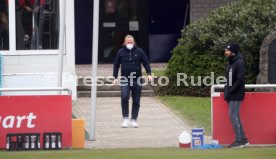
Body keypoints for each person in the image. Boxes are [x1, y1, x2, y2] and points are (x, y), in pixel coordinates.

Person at [113, 34, 153, 128]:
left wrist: (149, 74)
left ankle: (134, 119)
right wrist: (115, 77)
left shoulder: (139, 51)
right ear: (124, 42)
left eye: (131, 42)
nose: (130, 44)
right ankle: (125, 118)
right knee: (124, 97)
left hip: (137, 79)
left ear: (134, 42)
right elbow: (116, 64)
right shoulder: (120, 52)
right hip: (125, 79)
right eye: (128, 42)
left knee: (136, 100)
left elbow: (146, 62)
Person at [224, 43, 249, 148]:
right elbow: (229, 79)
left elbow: (240, 79)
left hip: (236, 94)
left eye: (227, 50)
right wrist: (227, 91)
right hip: (231, 94)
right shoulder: (231, 62)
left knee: (232, 115)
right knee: (235, 115)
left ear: (233, 51)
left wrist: (231, 91)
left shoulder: (239, 62)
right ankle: (244, 139)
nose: (225, 52)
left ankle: (238, 140)